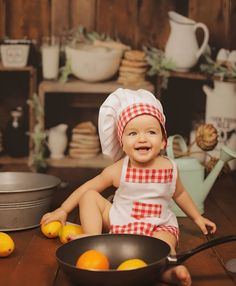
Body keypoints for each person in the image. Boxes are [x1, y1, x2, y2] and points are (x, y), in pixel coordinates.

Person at [41, 88, 216, 285]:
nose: (142, 138)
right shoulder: (119, 169)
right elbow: (87, 187)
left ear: (163, 141)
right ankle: (93, 237)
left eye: (151, 132)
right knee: (89, 196)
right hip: (121, 219)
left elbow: (181, 193)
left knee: (166, 244)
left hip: (158, 224)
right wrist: (63, 209)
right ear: (122, 144)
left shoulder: (169, 168)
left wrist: (197, 217)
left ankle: (170, 270)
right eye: (133, 133)